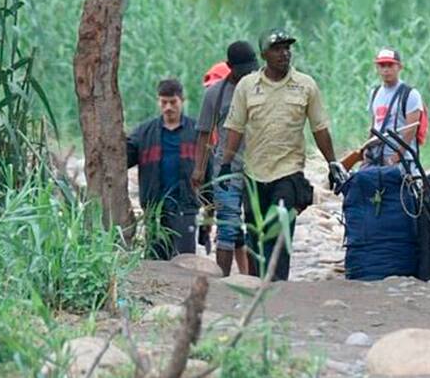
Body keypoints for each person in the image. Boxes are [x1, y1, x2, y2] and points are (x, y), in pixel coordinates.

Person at [221, 28, 346, 281]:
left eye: (287, 48)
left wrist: (332, 162)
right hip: (254, 173)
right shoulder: (247, 86)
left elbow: (319, 128)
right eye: (277, 49)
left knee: (279, 232)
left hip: (288, 173)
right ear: (264, 54)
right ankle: (256, 285)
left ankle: (278, 285)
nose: (284, 53)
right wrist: (225, 164)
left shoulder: (305, 86)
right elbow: (235, 127)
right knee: (255, 236)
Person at [192, 41, 260, 276]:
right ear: (230, 67)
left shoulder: (260, 89)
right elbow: (203, 134)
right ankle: (222, 278)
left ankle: (254, 280)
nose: (248, 73)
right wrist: (198, 169)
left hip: (258, 167)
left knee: (255, 225)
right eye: (243, 69)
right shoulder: (215, 94)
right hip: (226, 169)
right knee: (228, 225)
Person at [127, 79, 201, 259]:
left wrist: (210, 205)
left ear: (182, 100)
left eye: (173, 102)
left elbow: (208, 167)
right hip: (155, 207)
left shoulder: (196, 131)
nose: (168, 107)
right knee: (156, 260)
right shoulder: (144, 133)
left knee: (185, 260)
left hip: (185, 205)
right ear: (158, 102)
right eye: (164, 102)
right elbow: (122, 160)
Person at [364, 48, 424, 167]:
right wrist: (367, 150)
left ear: (399, 67)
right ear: (377, 68)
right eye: (382, 65)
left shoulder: (410, 94)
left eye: (390, 65)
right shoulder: (374, 93)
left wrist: (396, 156)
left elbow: (411, 130)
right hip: (377, 158)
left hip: (402, 161)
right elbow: (374, 126)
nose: (386, 70)